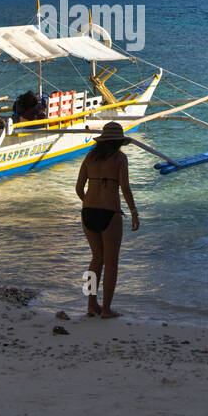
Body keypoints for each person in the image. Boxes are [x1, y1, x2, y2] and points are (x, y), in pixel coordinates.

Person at [75, 121, 139, 318]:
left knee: (96, 259)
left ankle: (91, 304)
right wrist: (134, 212)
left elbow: (79, 188)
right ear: (119, 141)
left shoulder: (90, 157)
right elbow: (125, 188)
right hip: (110, 213)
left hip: (88, 213)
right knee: (111, 263)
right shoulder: (120, 158)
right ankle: (107, 309)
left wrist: (90, 201)